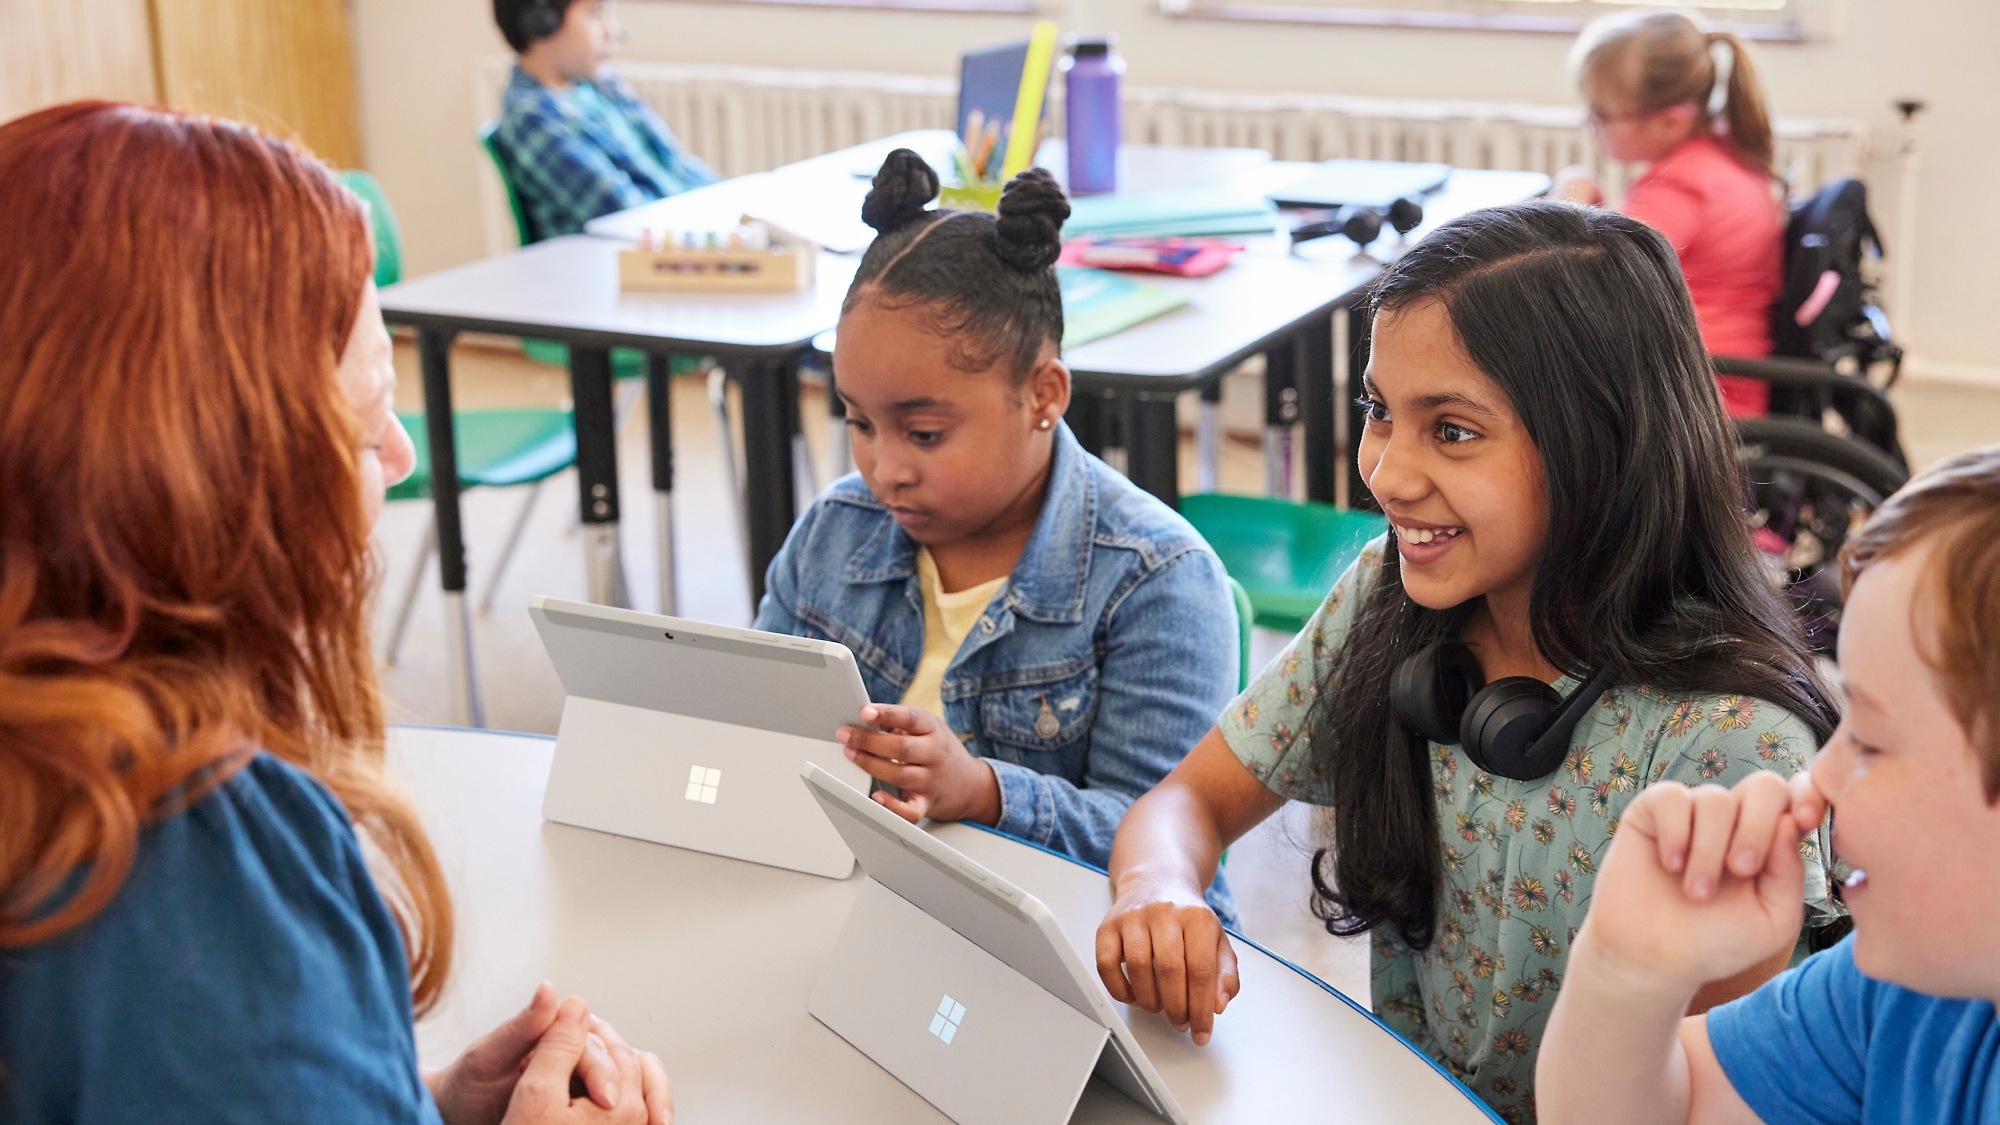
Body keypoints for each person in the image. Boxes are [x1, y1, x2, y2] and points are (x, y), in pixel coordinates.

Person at [1092, 201, 1841, 1124]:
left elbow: (1714, 1098)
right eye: (1379, 411)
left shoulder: (1728, 741)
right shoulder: (1393, 597)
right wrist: (1159, 886)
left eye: (1450, 429)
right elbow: (1187, 800)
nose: (1387, 472)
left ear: (1601, 445)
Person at [0, 101, 669, 1124]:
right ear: (216, 472)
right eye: (365, 420)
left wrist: (403, 1098)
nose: (399, 457)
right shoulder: (199, 857)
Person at [754, 150, 1242, 920]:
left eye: (922, 431)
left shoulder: (1159, 580)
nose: (884, 469)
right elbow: (758, 738)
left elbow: (1170, 841)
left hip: (1064, 957)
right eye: (858, 422)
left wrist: (981, 791)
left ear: (1043, 394)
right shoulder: (832, 532)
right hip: (865, 915)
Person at [1538, 445, 2000, 1124]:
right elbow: (1665, 1108)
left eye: (1871, 740)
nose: (1822, 778)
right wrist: (1625, 970)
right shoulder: (1906, 991)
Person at [1553, 11, 1784, 418]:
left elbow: (1590, 288)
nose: (1587, 123)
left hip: (1698, 394)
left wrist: (1565, 204)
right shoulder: (1721, 158)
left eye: (1602, 113)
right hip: (1716, 376)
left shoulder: (1681, 187)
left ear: (1671, 121)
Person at [490, 0, 718, 241]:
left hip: (682, 232)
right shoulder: (532, 119)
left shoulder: (601, 86)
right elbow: (626, 216)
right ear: (540, 22)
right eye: (596, 13)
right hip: (630, 259)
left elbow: (676, 167)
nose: (613, 32)